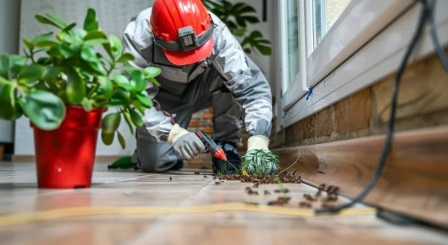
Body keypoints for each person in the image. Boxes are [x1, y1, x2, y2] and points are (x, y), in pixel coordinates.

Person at [122, 0, 278, 175]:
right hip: (166, 95)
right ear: (155, 35)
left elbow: (252, 89)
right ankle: (151, 154)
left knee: (232, 79)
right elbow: (136, 99)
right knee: (154, 163)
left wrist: (259, 142)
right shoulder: (137, 37)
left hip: (207, 85)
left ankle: (226, 142)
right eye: (180, 54)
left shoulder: (218, 31)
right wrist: (174, 134)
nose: (189, 60)